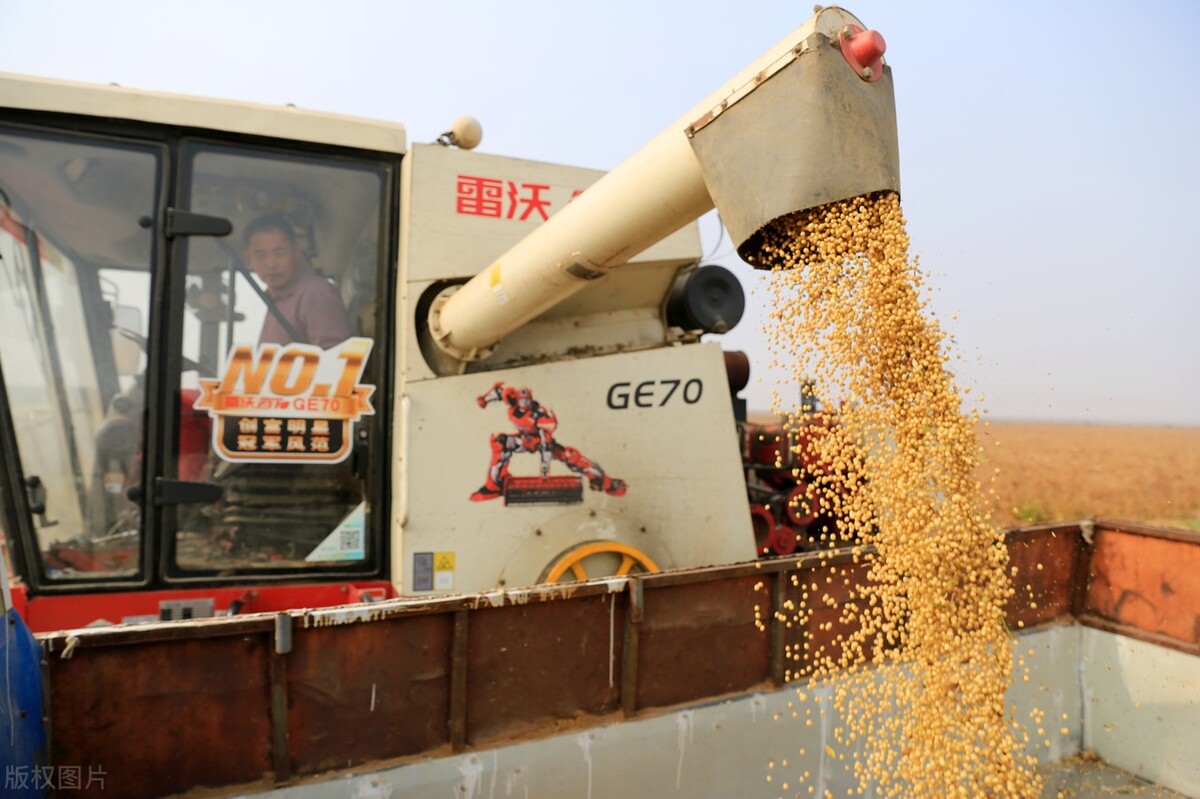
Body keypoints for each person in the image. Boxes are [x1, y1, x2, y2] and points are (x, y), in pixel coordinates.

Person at [243, 214, 351, 349]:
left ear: (296, 251)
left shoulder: (316, 293)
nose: (270, 264)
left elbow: (335, 361)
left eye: (279, 253)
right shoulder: (276, 297)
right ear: (248, 258)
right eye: (260, 256)